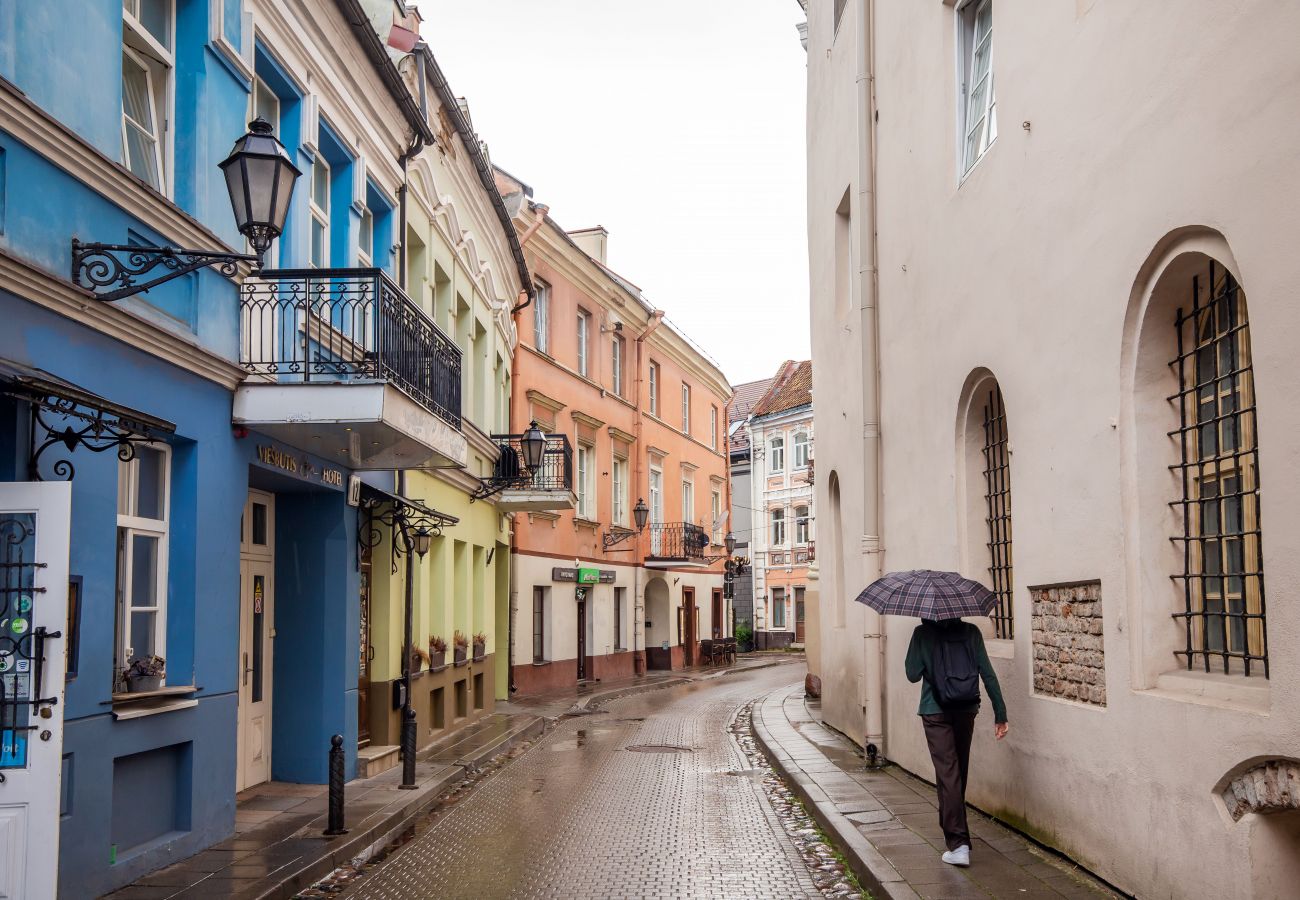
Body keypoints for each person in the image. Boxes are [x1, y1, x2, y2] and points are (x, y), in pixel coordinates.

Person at [905, 617, 1009, 867]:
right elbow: (988, 673)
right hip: (966, 708)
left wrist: (926, 656)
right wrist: (1000, 713)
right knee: (957, 771)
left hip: (934, 710)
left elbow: (911, 674)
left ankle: (958, 843)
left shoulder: (922, 633)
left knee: (948, 773)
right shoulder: (971, 632)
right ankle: (951, 829)